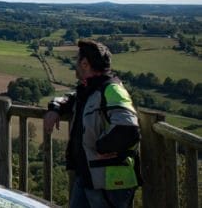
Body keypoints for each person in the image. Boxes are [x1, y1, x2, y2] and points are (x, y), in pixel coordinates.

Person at [44, 39, 141, 208]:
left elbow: (128, 129)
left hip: (109, 182)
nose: (75, 64)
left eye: (77, 60)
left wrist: (102, 148)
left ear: (85, 63)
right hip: (89, 176)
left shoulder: (112, 89)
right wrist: (55, 107)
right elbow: (72, 98)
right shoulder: (91, 89)